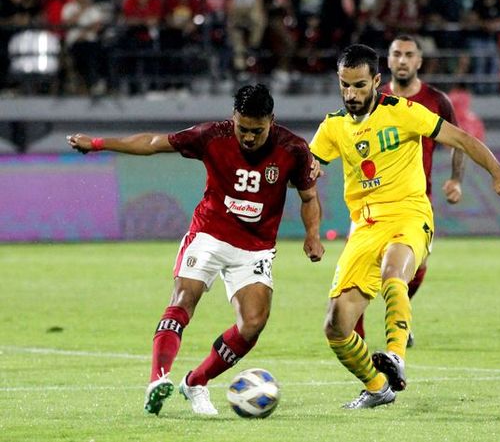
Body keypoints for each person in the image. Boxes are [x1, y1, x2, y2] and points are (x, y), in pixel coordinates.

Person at [67, 84, 324, 416]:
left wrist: (312, 235)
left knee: (254, 322)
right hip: (209, 233)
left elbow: (308, 196)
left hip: (255, 247)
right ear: (233, 117)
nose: (248, 137)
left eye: (257, 131)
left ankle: (195, 382)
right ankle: (157, 380)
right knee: (183, 299)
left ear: (271, 121)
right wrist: (99, 144)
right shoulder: (211, 136)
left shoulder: (293, 148)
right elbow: (154, 143)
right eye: (242, 128)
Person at [311, 44, 500, 409]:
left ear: (377, 81)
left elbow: (462, 139)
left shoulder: (406, 112)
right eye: (344, 85)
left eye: (359, 85)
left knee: (395, 270)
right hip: (364, 225)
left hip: (410, 214)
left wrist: (498, 173)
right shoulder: (333, 127)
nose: (351, 94)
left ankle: (395, 356)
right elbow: (307, 168)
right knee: (336, 325)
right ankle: (377, 387)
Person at [353, 34, 465, 348]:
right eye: (396, 54)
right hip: (370, 200)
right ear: (387, 60)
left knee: (415, 269)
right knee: (359, 268)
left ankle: (398, 314)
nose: (402, 60)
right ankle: (356, 338)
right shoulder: (370, 96)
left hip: (416, 201)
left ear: (418, 61)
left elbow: (459, 142)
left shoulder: (436, 100)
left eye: (408, 55)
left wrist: (456, 179)